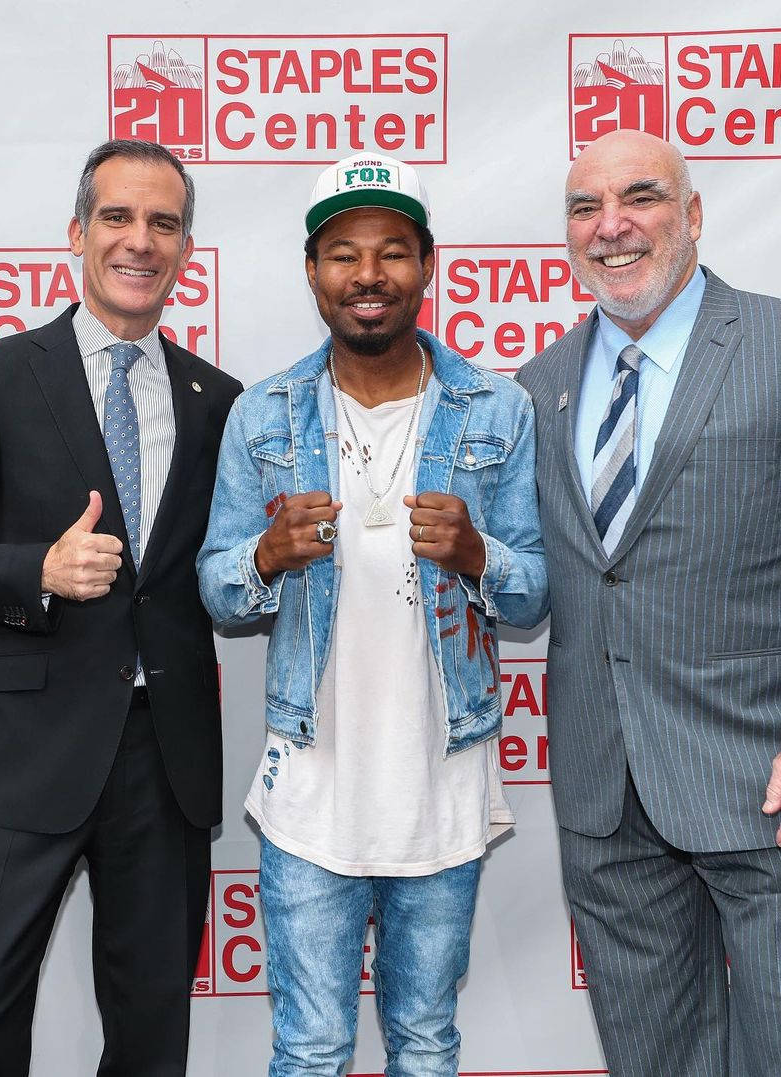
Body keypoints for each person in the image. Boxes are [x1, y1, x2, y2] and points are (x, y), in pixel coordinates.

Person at [197, 153, 547, 1076]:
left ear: (427, 265)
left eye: (392, 251)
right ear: (312, 272)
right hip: (312, 788)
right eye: (343, 253)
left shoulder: (497, 408)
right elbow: (217, 587)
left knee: (427, 1042)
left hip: (442, 784)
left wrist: (479, 556)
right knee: (311, 1048)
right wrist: (266, 557)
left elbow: (536, 591)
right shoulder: (262, 413)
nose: (368, 275)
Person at [0, 139, 242, 1076]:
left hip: (162, 757)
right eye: (118, 217)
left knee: (151, 1034)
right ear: (77, 233)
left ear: (185, 248)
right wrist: (38, 573)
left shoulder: (218, 400)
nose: (140, 240)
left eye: (164, 223)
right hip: (16, 751)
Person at [516, 128, 781, 1076]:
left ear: (695, 214)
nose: (612, 226)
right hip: (606, 793)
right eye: (585, 208)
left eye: (641, 198)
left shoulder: (774, 345)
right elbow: (544, 584)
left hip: (760, 780)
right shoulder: (539, 387)